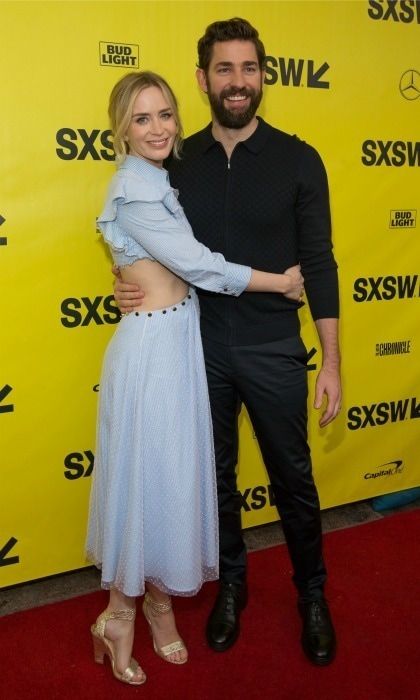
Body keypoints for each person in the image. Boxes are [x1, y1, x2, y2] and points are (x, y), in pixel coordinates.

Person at [113, 18, 341, 667]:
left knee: (292, 479)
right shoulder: (173, 162)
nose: (237, 82)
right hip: (195, 349)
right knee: (213, 480)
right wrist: (126, 282)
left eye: (248, 68)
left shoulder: (300, 159)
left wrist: (331, 361)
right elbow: (148, 243)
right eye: (224, 69)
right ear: (203, 78)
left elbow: (319, 263)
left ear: (263, 75)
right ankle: (231, 587)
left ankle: (313, 596)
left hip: (273, 348)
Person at [85, 70, 304, 686]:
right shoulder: (133, 187)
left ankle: (157, 604)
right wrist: (280, 281)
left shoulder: (157, 180)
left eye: (165, 115)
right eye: (142, 118)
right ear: (121, 129)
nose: (157, 128)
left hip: (179, 342)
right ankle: (120, 614)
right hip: (154, 352)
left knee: (166, 483)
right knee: (148, 485)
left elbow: (158, 263)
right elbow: (197, 264)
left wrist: (128, 274)